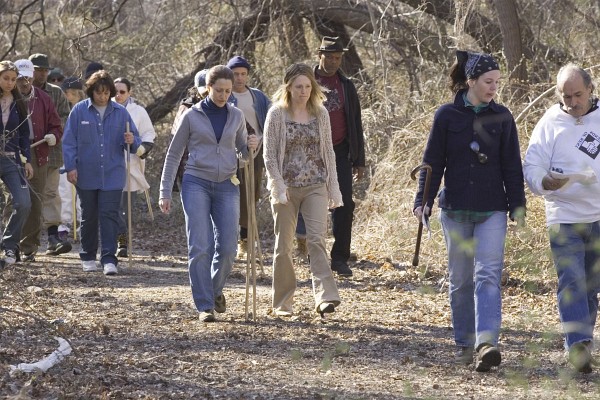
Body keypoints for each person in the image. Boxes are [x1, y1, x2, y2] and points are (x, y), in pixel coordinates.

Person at [413, 51, 526, 372]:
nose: (494, 88)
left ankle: (487, 342)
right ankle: (465, 342)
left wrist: (517, 205)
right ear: (471, 81)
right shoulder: (447, 116)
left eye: (497, 83)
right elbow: (431, 161)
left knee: (488, 275)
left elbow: (511, 166)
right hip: (455, 210)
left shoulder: (503, 117)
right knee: (461, 279)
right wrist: (423, 199)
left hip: (492, 210)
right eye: (488, 82)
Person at [159, 65, 258, 323]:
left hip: (227, 183)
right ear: (208, 89)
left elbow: (243, 155)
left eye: (228, 91)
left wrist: (251, 147)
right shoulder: (191, 116)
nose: (224, 95)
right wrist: (165, 191)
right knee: (200, 246)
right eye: (219, 90)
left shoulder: (236, 116)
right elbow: (173, 154)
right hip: (196, 183)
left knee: (228, 248)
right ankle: (204, 305)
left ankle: (214, 291)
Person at [523, 63, 600, 373]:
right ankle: (578, 343)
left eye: (577, 95)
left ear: (591, 90)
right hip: (563, 215)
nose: (571, 102)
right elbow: (532, 165)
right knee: (571, 280)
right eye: (565, 96)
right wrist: (544, 182)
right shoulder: (549, 122)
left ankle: (583, 343)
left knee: (590, 286)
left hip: (598, 215)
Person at [263, 63, 343, 318]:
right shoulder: (276, 114)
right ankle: (283, 303)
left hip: (315, 185)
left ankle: (325, 297)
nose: (304, 91)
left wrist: (334, 189)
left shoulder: (320, 114)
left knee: (317, 240)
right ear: (288, 87)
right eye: (299, 86)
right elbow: (269, 155)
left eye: (308, 86)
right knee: (283, 246)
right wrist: (278, 184)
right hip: (285, 187)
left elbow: (328, 152)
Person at [296, 36, 366, 277]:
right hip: (308, 151)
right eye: (330, 57)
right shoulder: (306, 81)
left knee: (344, 203)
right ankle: (306, 247)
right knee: (305, 201)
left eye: (338, 58)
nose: (334, 62)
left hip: (339, 150)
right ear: (320, 55)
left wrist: (359, 159)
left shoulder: (346, 85)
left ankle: (340, 258)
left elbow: (356, 122)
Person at [62, 70, 141, 276]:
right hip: (85, 174)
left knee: (110, 215)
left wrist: (132, 141)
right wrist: (70, 167)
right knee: (88, 216)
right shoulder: (79, 111)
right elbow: (69, 141)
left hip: (113, 174)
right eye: (99, 93)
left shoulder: (121, 113)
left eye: (107, 93)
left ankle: (109, 259)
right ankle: (88, 256)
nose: (103, 97)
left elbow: (136, 142)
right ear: (91, 91)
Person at [14, 59, 63, 262]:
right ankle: (11, 245)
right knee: (15, 201)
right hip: (12, 152)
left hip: (38, 152)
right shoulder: (7, 98)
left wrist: (53, 135)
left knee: (36, 200)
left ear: (32, 77)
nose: (24, 83)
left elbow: (57, 124)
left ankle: (29, 247)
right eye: (19, 79)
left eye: (27, 78)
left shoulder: (44, 98)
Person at [225, 56, 271, 259]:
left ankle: (246, 240)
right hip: (229, 153)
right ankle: (229, 240)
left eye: (243, 74)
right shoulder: (225, 95)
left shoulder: (258, 97)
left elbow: (271, 119)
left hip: (256, 151)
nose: (240, 78)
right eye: (235, 74)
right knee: (230, 196)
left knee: (250, 196)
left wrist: (262, 139)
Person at [29, 53, 72, 256]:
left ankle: (53, 237)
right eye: (39, 69)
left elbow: (65, 117)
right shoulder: (20, 90)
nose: (43, 73)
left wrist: (55, 132)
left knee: (50, 194)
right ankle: (25, 241)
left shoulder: (56, 93)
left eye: (45, 70)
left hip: (51, 152)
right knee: (26, 197)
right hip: (25, 152)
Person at [113, 77, 156, 257]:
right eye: (115, 91)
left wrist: (140, 148)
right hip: (109, 163)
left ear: (129, 93)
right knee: (111, 205)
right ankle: (112, 238)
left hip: (131, 163)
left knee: (126, 206)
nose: (118, 95)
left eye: (122, 92)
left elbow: (149, 134)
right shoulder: (107, 109)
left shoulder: (138, 111)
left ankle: (123, 240)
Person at [0, 61, 33, 265]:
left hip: (13, 158)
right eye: (6, 78)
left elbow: (24, 134)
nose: (10, 83)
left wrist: (27, 160)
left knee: (23, 202)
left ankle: (10, 246)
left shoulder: (19, 102)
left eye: (13, 79)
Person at [57, 77, 84, 240]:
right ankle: (65, 222)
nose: (67, 96)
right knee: (64, 189)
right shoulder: (61, 110)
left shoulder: (86, 109)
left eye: (68, 93)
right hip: (63, 154)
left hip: (84, 155)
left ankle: (81, 222)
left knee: (82, 192)